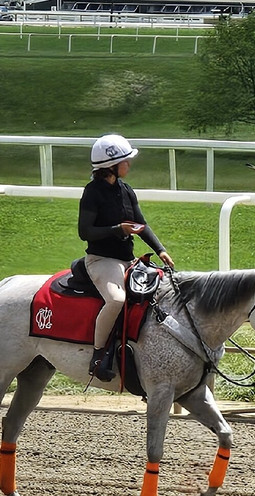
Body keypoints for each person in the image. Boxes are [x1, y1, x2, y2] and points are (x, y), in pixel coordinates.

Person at [79, 133, 175, 381]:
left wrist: (161, 249)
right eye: (126, 161)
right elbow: (85, 232)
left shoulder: (126, 190)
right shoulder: (92, 192)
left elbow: (140, 224)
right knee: (116, 300)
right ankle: (98, 356)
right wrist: (117, 230)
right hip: (102, 261)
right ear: (111, 165)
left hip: (127, 260)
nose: (129, 165)